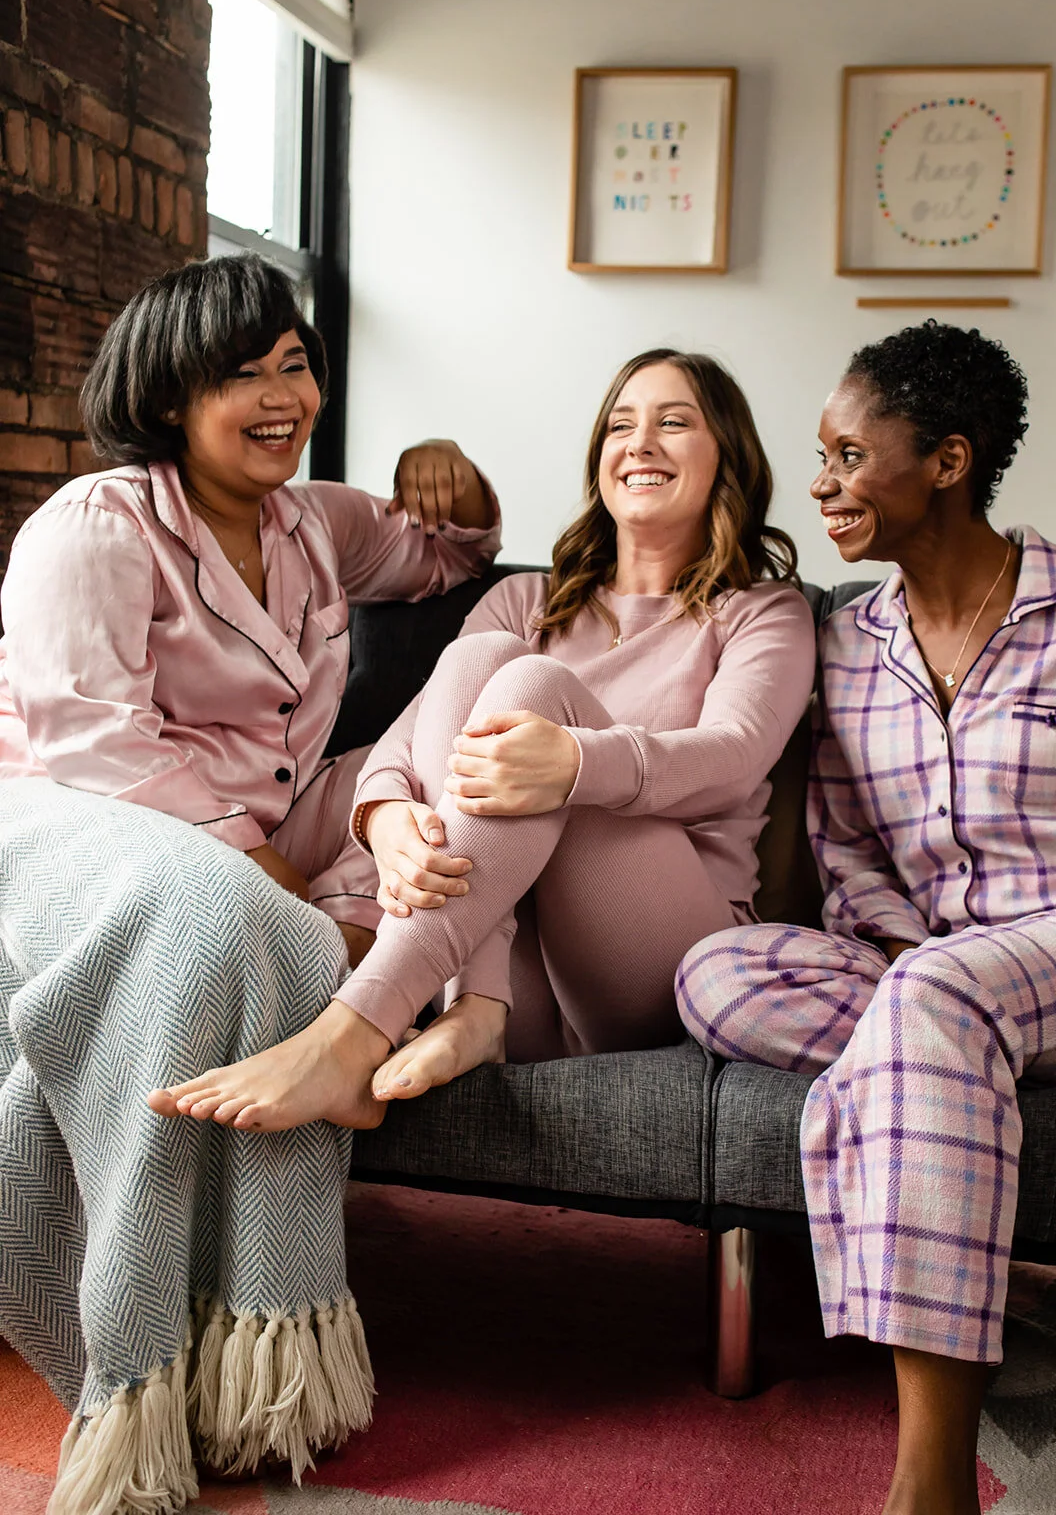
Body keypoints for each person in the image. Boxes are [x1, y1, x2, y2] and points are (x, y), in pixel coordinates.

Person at [674, 321, 1056, 1515]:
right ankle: (965, 1071)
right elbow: (847, 848)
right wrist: (906, 947)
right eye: (823, 457)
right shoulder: (845, 644)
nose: (823, 483)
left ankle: (930, 1482)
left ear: (949, 462)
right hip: (931, 968)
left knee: (936, 997)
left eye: (850, 456)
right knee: (716, 973)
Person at [151, 347, 816, 1132]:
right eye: (620, 426)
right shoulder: (525, 599)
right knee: (482, 658)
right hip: (503, 969)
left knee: (530, 684)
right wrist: (385, 815)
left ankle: (353, 1031)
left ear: (727, 455)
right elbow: (410, 734)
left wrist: (575, 763)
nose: (639, 443)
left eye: (673, 423)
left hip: (655, 957)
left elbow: (735, 754)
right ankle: (478, 1007)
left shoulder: (763, 612)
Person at [0, 253, 500, 966]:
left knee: (443, 766)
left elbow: (455, 554)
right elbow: (97, 746)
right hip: (98, 827)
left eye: (294, 366)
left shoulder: (316, 520)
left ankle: (339, 953)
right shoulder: (97, 524)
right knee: (222, 906)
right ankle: (336, 960)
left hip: (273, 824)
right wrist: (264, 873)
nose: (283, 397)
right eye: (244, 374)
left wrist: (446, 465)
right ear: (169, 401)